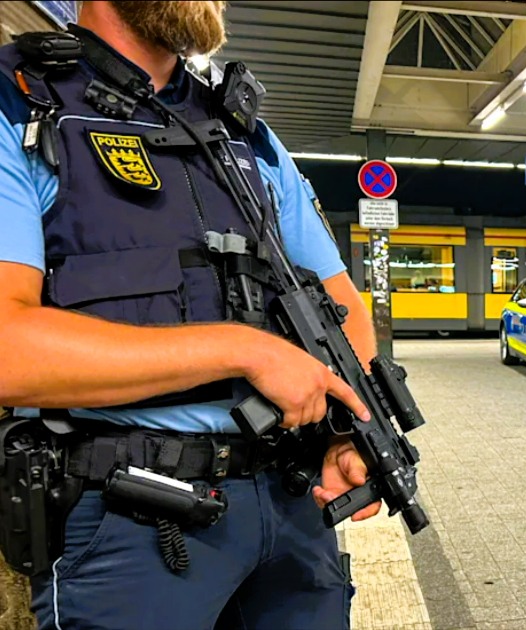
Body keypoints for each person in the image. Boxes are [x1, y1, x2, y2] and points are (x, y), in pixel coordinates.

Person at [0, 2, 381, 628]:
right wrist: (243, 350)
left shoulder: (246, 132)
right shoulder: (18, 101)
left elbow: (343, 308)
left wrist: (347, 429)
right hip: (129, 521)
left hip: (292, 508)